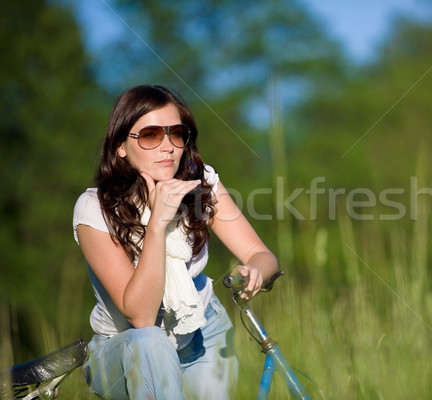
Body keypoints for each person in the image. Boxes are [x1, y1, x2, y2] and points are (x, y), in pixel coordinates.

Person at [73, 85, 278, 399]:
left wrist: (256, 271)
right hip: (127, 344)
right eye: (151, 135)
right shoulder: (95, 208)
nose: (167, 146)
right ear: (121, 147)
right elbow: (139, 316)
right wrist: (157, 223)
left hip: (201, 328)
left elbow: (259, 253)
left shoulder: (200, 183)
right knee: (147, 341)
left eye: (177, 134)